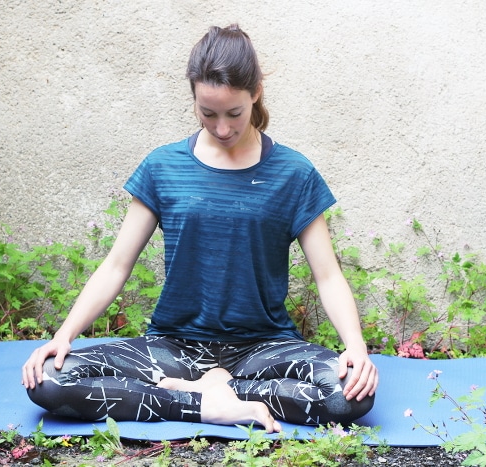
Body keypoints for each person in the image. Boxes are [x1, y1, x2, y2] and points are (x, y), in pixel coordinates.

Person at [21, 24, 378, 433]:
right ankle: (208, 404)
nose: (222, 128)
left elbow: (328, 275)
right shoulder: (163, 167)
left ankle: (211, 389)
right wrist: (64, 335)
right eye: (208, 113)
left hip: (264, 348)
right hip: (174, 347)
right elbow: (117, 264)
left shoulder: (293, 173)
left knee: (351, 393)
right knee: (49, 379)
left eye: (234, 114)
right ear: (193, 98)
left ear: (256, 92)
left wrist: (355, 347)